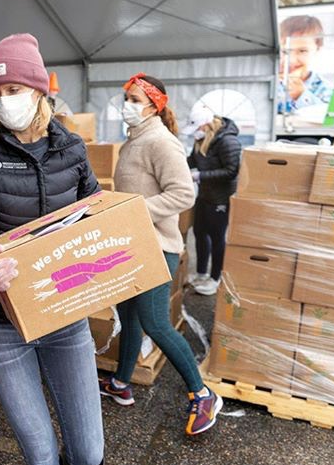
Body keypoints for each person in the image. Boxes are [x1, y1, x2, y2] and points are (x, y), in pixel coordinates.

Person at [0, 33, 104, 465]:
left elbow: (96, 215)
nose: (3, 101)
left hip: (65, 316)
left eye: (13, 90)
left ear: (39, 89)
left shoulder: (71, 149)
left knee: (88, 451)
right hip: (1, 323)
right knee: (41, 452)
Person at [98, 73, 223, 436]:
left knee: (154, 321)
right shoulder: (133, 140)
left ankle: (202, 393)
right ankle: (121, 384)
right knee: (129, 315)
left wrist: (135, 210)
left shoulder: (160, 142)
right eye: (127, 97)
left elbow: (184, 194)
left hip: (157, 248)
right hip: (133, 245)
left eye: (136, 99)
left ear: (154, 105)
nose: (128, 104)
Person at [183, 106, 242, 295]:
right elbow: (192, 160)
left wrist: (200, 176)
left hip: (221, 198)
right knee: (200, 232)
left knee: (217, 238)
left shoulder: (228, 141)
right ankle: (201, 273)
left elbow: (232, 171)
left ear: (207, 125)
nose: (195, 135)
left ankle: (215, 278)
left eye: (198, 130)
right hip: (205, 195)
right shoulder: (201, 140)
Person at [277, 15, 332, 114]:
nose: (292, 60)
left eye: (302, 51)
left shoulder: (327, 89)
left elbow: (327, 120)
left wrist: (302, 95)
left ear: (317, 49)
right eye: (285, 51)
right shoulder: (272, 83)